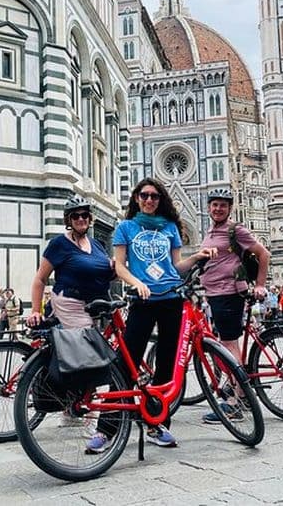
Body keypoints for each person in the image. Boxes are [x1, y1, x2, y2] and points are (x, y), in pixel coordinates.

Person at [87, 178, 213, 453]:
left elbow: (177, 265)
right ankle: (106, 429)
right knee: (126, 364)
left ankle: (157, 423)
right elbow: (119, 266)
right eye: (144, 195)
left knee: (166, 364)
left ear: (161, 200)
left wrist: (197, 257)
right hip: (142, 301)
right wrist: (136, 283)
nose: (149, 200)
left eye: (155, 196)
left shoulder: (169, 228)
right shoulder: (126, 227)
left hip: (171, 298)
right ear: (136, 198)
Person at [196, 188, 270, 424]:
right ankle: (244, 395)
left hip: (228, 293)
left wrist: (260, 285)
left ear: (230, 208)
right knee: (232, 345)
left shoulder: (234, 230)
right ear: (208, 207)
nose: (218, 208)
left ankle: (234, 404)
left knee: (229, 347)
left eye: (223, 205)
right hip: (214, 294)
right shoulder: (210, 231)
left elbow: (263, 253)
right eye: (214, 204)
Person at [26, 195, 115, 331]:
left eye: (84, 215)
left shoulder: (97, 245)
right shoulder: (59, 244)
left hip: (94, 304)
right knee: (87, 345)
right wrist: (36, 311)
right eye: (75, 216)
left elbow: (106, 274)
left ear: (89, 218)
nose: (81, 219)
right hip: (70, 303)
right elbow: (40, 278)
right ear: (69, 220)